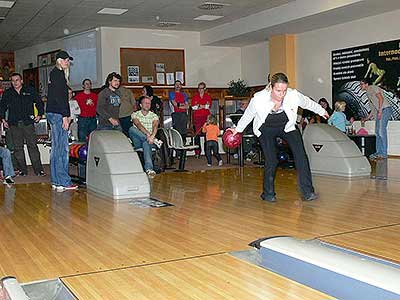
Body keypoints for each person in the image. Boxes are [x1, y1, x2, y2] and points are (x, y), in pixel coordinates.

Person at [230, 73, 329, 202]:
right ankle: (268, 193)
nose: (281, 94)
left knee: (301, 156)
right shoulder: (259, 99)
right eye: (278, 91)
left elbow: (307, 103)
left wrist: (322, 111)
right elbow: (248, 116)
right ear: (271, 87)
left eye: (284, 90)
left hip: (286, 126)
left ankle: (308, 192)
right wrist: (237, 130)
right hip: (266, 128)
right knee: (272, 160)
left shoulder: (293, 95)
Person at [0, 72, 46, 177]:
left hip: (28, 122)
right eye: (13, 81)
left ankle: (39, 170)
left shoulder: (29, 90)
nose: (15, 82)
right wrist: (3, 119)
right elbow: (2, 106)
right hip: (14, 123)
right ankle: (22, 170)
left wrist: (39, 114)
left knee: (32, 146)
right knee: (18, 148)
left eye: (17, 80)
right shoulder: (8, 93)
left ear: (21, 81)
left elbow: (39, 102)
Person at [46, 50, 78, 191]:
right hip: (58, 114)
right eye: (65, 60)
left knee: (56, 148)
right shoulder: (58, 75)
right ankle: (63, 181)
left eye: (68, 60)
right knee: (62, 149)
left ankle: (56, 180)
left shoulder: (54, 74)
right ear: (59, 60)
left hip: (52, 112)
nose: (68, 62)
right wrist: (65, 115)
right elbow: (60, 97)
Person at [129, 96, 162, 177]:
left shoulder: (154, 115)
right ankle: (153, 140)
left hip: (148, 141)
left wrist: (152, 135)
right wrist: (149, 135)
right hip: (138, 139)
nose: (147, 105)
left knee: (146, 143)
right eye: (145, 103)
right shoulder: (135, 114)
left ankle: (149, 169)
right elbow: (138, 124)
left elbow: (155, 126)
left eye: (149, 103)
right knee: (132, 129)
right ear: (140, 105)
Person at [360, 78, 392, 160]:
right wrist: (366, 118)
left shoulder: (372, 87)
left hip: (385, 109)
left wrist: (380, 111)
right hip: (380, 110)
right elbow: (373, 109)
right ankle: (378, 152)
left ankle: (384, 153)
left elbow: (381, 98)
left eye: (361, 84)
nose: (360, 86)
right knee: (377, 132)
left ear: (366, 84)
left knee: (381, 131)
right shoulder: (368, 93)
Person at [191, 82, 212, 158]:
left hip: (206, 118)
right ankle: (197, 153)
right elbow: (193, 108)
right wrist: (203, 106)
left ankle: (207, 152)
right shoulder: (195, 97)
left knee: (207, 136)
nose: (200, 90)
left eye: (202, 88)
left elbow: (207, 106)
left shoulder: (208, 97)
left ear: (205, 89)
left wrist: (199, 105)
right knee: (197, 136)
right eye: (199, 88)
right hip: (197, 118)